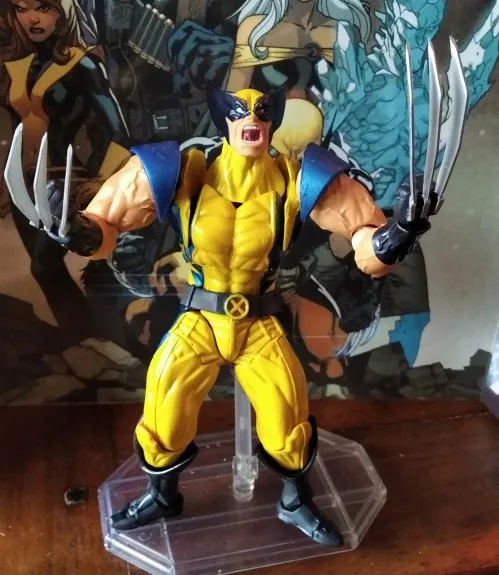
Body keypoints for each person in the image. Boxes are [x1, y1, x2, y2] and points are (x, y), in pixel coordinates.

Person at [6, 84, 444, 545]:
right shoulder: (181, 171)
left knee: (287, 418)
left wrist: (398, 233)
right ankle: (162, 495)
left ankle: (295, 500)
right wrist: (77, 231)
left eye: (262, 110)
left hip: (259, 322)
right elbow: (106, 227)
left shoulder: (301, 178)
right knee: (164, 405)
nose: (251, 118)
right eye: (239, 110)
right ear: (225, 119)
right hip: (201, 317)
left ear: (273, 120)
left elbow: (367, 247)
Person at [0, 0, 130, 340]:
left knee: (45, 264)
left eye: (44, 8)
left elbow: (116, 130)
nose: (32, 18)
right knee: (44, 269)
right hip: (21, 182)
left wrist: (101, 188)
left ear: (64, 12)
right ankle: (82, 339)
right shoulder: (17, 64)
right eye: (22, 8)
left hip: (63, 181)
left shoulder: (82, 65)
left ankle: (97, 338)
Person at [226, 0, 370, 158]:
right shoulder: (256, 29)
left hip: (325, 152)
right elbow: (232, 105)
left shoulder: (343, 32)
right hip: (265, 150)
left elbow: (357, 104)